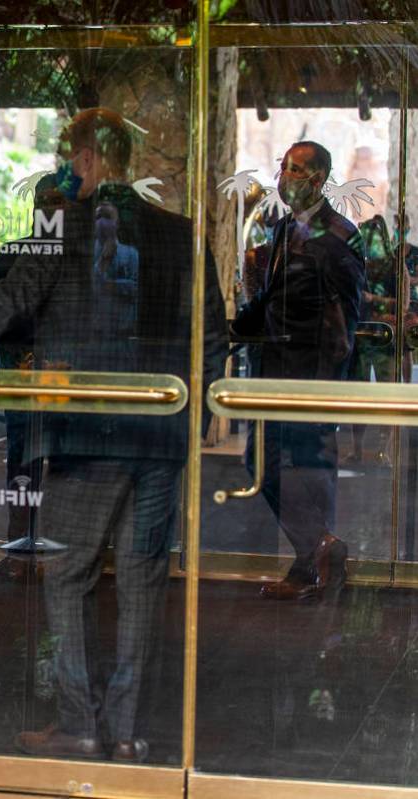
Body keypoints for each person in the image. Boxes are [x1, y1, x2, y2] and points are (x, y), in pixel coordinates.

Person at [0, 108, 228, 761]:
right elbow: (212, 335)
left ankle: (80, 724)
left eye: (65, 155)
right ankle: (129, 730)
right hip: (159, 437)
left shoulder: (58, 226)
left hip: (87, 434)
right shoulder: (180, 233)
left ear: (84, 158)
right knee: (141, 580)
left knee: (67, 574)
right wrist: (191, 420)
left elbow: (6, 302)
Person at [232, 140, 366, 601]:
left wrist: (327, 390)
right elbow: (270, 300)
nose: (283, 177)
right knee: (261, 463)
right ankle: (319, 550)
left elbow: (344, 322)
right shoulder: (283, 228)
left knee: (308, 469)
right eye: (283, 167)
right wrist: (230, 328)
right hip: (272, 373)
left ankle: (313, 564)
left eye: (294, 169)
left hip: (310, 380)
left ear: (318, 179)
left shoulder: (339, 237)